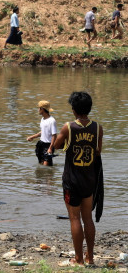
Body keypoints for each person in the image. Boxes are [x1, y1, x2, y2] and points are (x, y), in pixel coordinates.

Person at [52, 91, 103, 266]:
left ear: (73, 109)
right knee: (87, 218)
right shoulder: (97, 128)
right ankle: (90, 257)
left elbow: (57, 146)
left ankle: (79, 259)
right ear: (89, 108)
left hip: (72, 180)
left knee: (75, 219)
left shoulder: (69, 127)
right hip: (89, 180)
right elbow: (97, 152)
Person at [26, 100, 58, 166]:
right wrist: (32, 137)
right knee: (41, 165)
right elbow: (42, 132)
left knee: (46, 166)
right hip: (41, 144)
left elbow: (54, 135)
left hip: (48, 145)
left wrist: (50, 148)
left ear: (42, 109)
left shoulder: (52, 121)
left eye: (39, 108)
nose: (38, 110)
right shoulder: (42, 119)